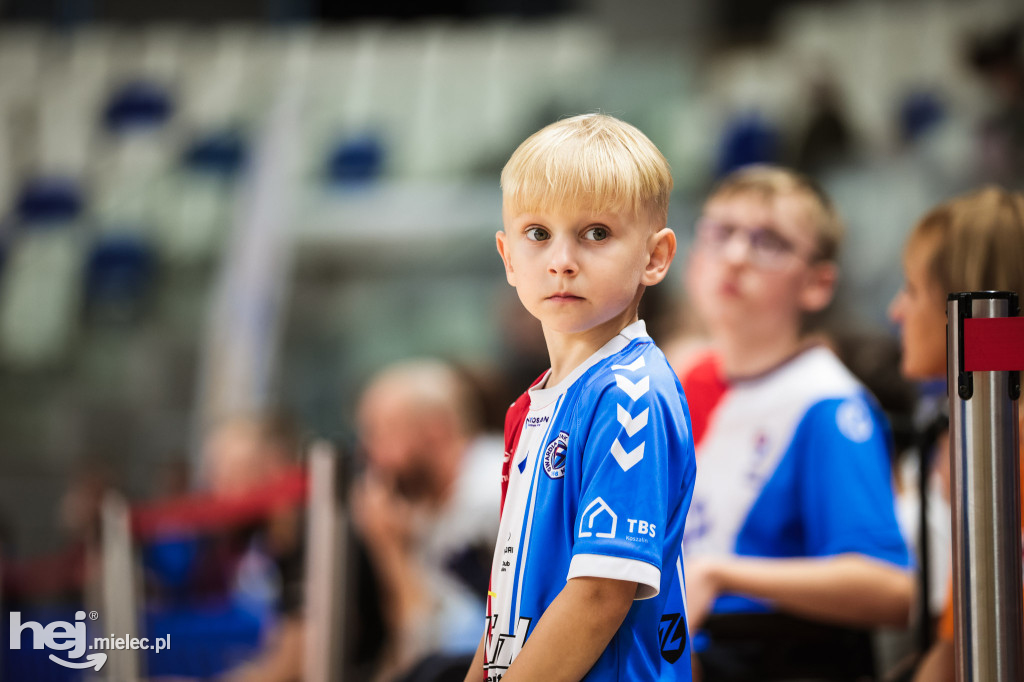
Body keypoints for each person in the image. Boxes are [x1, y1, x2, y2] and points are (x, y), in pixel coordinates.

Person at [463, 113, 697, 681]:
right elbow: (504, 612)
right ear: (508, 257)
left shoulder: (629, 390)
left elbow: (598, 596)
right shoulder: (536, 401)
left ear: (655, 256)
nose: (562, 259)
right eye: (538, 234)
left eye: (596, 233)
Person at [679, 165, 914, 680]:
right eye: (721, 233)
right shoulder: (683, 383)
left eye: (769, 242)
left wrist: (718, 575)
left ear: (817, 283)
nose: (736, 256)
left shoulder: (828, 405)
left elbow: (892, 591)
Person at [886, 187, 1024, 682]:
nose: (896, 311)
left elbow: (952, 661)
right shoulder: (968, 434)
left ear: (967, 305)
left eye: (912, 289)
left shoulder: (1006, 440)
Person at [353, 359, 502, 681]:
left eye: (381, 433)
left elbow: (432, 646)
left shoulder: (495, 491)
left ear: (437, 428)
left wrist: (390, 552)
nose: (372, 454)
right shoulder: (420, 507)